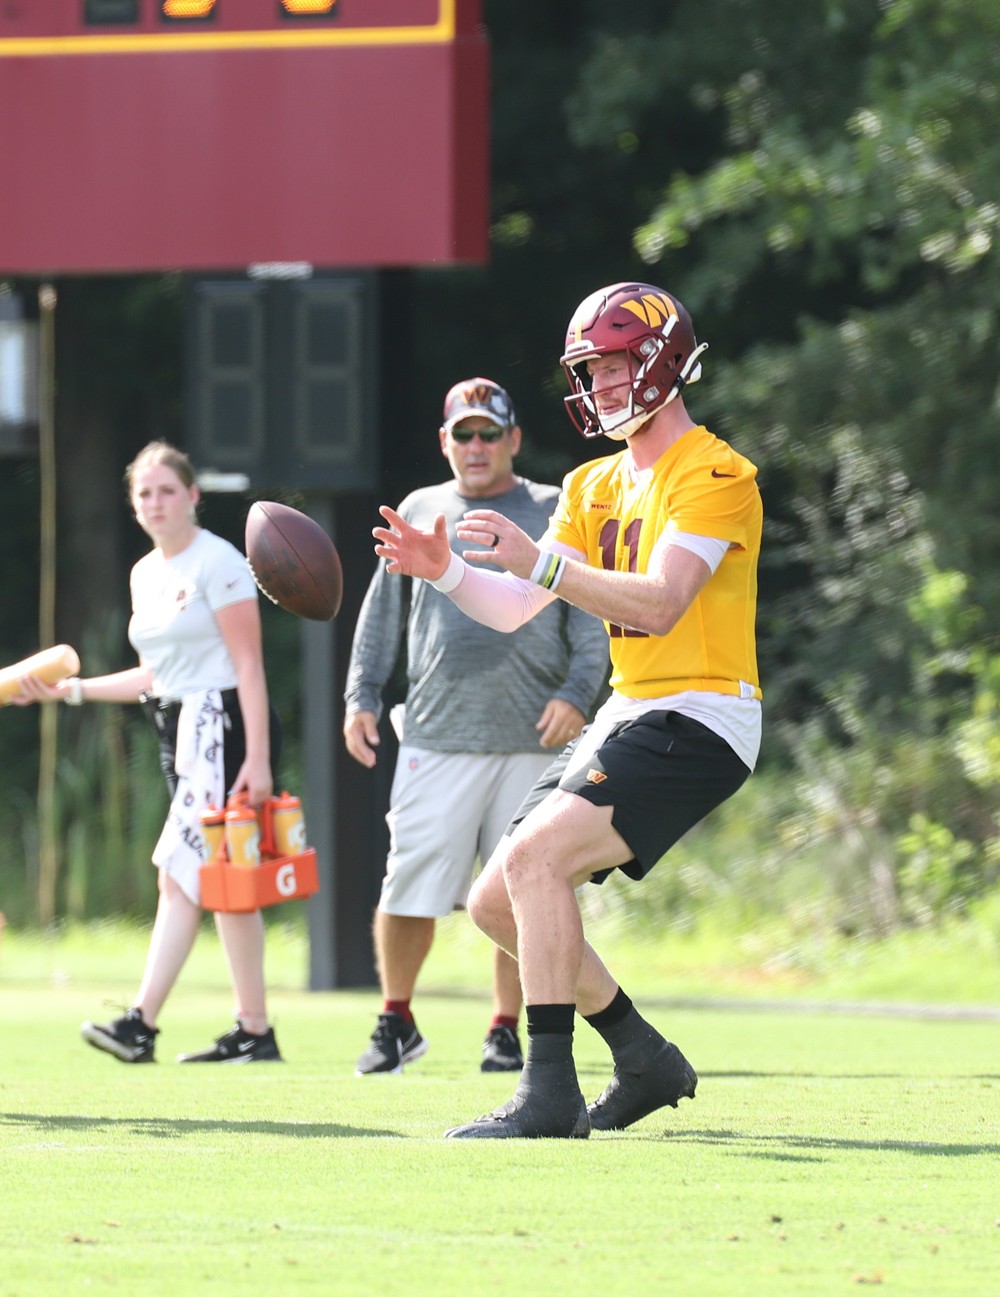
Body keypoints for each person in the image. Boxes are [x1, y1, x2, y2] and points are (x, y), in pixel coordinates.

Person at [372, 283, 762, 1137]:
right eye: (589, 371)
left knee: (538, 860)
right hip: (632, 709)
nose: (599, 385)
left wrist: (539, 565)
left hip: (704, 711)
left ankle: (547, 1092)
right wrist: (441, 569)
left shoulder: (718, 472)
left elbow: (661, 602)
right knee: (492, 901)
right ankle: (642, 1055)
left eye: (613, 366)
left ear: (660, 361)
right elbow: (515, 605)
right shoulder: (593, 482)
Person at [345, 378, 607, 1076]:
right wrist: (362, 694)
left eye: (490, 432)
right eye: (464, 433)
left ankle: (504, 1028)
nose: (477, 445)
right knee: (408, 885)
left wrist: (580, 692)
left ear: (513, 440)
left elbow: (587, 609)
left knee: (523, 886)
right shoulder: (421, 508)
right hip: (436, 731)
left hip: (534, 737)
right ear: (445, 442)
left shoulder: (552, 506)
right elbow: (383, 611)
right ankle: (395, 1019)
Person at [13, 441, 283, 1065]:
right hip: (176, 728)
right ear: (134, 505)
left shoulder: (219, 562)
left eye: (168, 491)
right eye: (144, 494)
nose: (156, 503)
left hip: (220, 727)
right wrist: (68, 692)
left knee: (179, 874)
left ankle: (142, 1024)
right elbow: (153, 675)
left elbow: (248, 665)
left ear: (193, 496)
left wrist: (259, 757)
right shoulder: (145, 573)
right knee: (222, 882)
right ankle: (255, 1031)